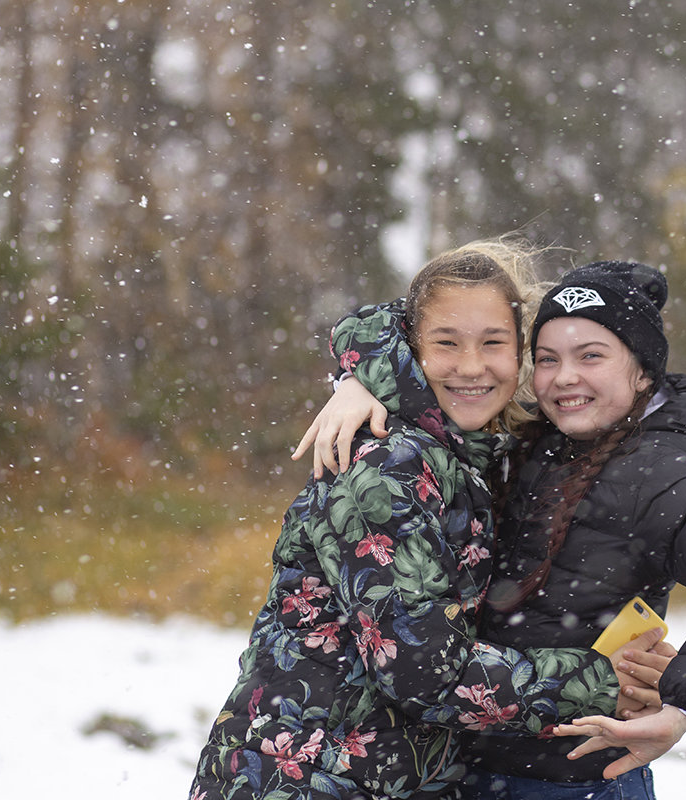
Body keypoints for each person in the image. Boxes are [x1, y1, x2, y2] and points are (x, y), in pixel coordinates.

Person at [304, 260, 686, 798]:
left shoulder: (653, 474)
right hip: (477, 766)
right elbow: (435, 317)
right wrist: (362, 378)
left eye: (591, 356)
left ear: (643, 373)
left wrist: (683, 703)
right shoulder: (539, 439)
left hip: (573, 778)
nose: (566, 377)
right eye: (547, 359)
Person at [188, 242, 642, 800]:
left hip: (379, 778)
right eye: (446, 344)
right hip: (306, 780)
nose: (472, 367)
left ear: (520, 353)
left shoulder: (466, 456)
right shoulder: (389, 466)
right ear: (411, 347)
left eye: (493, 343)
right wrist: (602, 681)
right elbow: (426, 674)